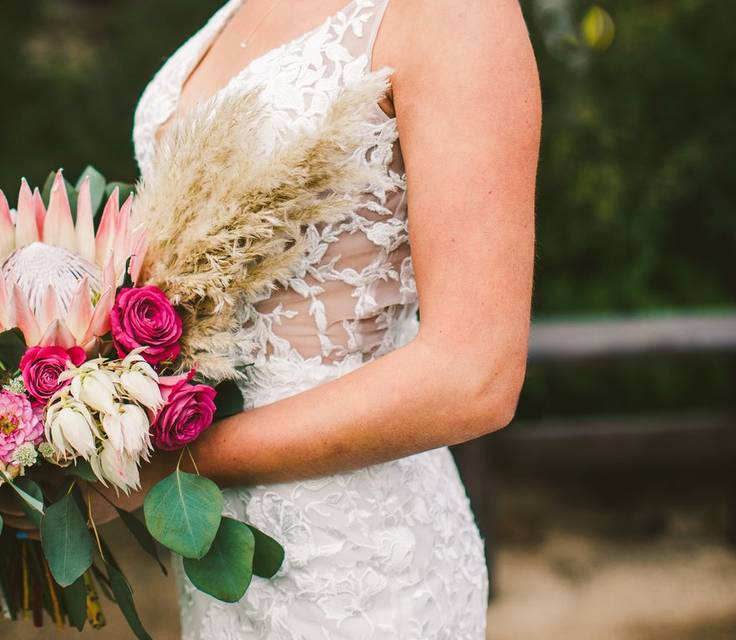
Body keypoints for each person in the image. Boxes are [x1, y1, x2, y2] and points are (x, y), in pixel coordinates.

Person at [83, 0, 541, 637]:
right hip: (223, 553)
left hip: (360, 561)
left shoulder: (456, 14)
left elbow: (474, 375)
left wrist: (164, 467)